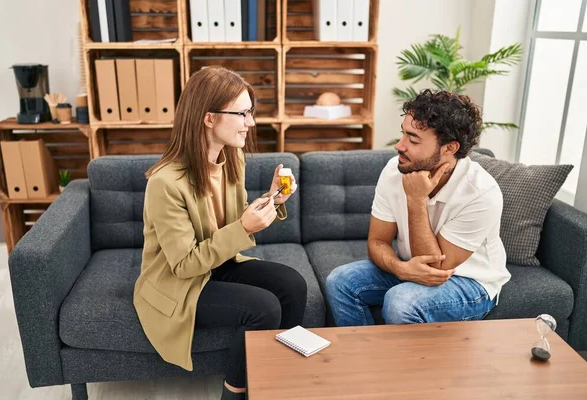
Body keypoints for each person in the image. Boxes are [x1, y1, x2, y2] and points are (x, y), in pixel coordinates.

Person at [133, 66, 307, 400]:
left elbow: (232, 222)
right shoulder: (164, 183)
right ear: (209, 117)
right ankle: (234, 393)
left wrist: (273, 199)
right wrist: (244, 228)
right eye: (243, 113)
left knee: (293, 285)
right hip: (179, 283)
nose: (251, 123)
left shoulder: (232, 158)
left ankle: (274, 378)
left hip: (217, 264)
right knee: (264, 308)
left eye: (250, 113)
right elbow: (184, 264)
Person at [325, 89, 511, 327]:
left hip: (469, 281)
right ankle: (364, 358)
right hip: (410, 266)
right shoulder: (395, 169)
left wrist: (416, 199)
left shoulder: (481, 192)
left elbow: (435, 268)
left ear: (449, 148)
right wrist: (401, 269)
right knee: (340, 281)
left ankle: (401, 364)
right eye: (403, 134)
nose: (399, 146)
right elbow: (377, 242)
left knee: (401, 301)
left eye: (413, 140)